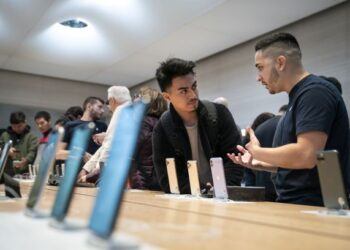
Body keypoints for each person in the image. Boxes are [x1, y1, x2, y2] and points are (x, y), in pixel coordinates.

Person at [228, 32, 349, 206]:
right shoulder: (299, 97)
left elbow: (307, 156)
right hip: (297, 204)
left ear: (280, 63)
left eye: (260, 67)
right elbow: (298, 166)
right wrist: (261, 163)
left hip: (314, 207)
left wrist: (258, 151)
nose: (258, 77)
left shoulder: (315, 93)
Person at [153, 58, 243, 194]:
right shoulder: (163, 129)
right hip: (189, 200)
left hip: (226, 196)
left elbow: (235, 159)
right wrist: (202, 190)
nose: (193, 95)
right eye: (183, 91)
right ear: (167, 97)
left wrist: (221, 188)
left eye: (194, 87)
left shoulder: (219, 114)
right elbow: (168, 177)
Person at [77, 86, 132, 183]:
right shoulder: (131, 110)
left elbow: (108, 146)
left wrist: (98, 171)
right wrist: (87, 168)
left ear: (112, 100)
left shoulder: (120, 111)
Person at [130, 88, 168, 190]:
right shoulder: (165, 122)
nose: (134, 100)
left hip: (145, 182)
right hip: (164, 181)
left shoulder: (142, 124)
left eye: (138, 96)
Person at [56, 96, 107, 163]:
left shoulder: (102, 126)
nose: (103, 111)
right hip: (74, 170)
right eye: (99, 107)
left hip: (94, 171)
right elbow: (58, 154)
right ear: (89, 106)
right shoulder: (70, 125)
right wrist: (81, 154)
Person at [0, 111, 38, 176]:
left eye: (19, 126)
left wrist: (26, 160)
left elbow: (32, 152)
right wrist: (6, 151)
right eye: (14, 126)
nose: (17, 129)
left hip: (25, 173)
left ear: (25, 123)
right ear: (11, 124)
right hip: (6, 173)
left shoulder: (32, 137)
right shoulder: (4, 135)